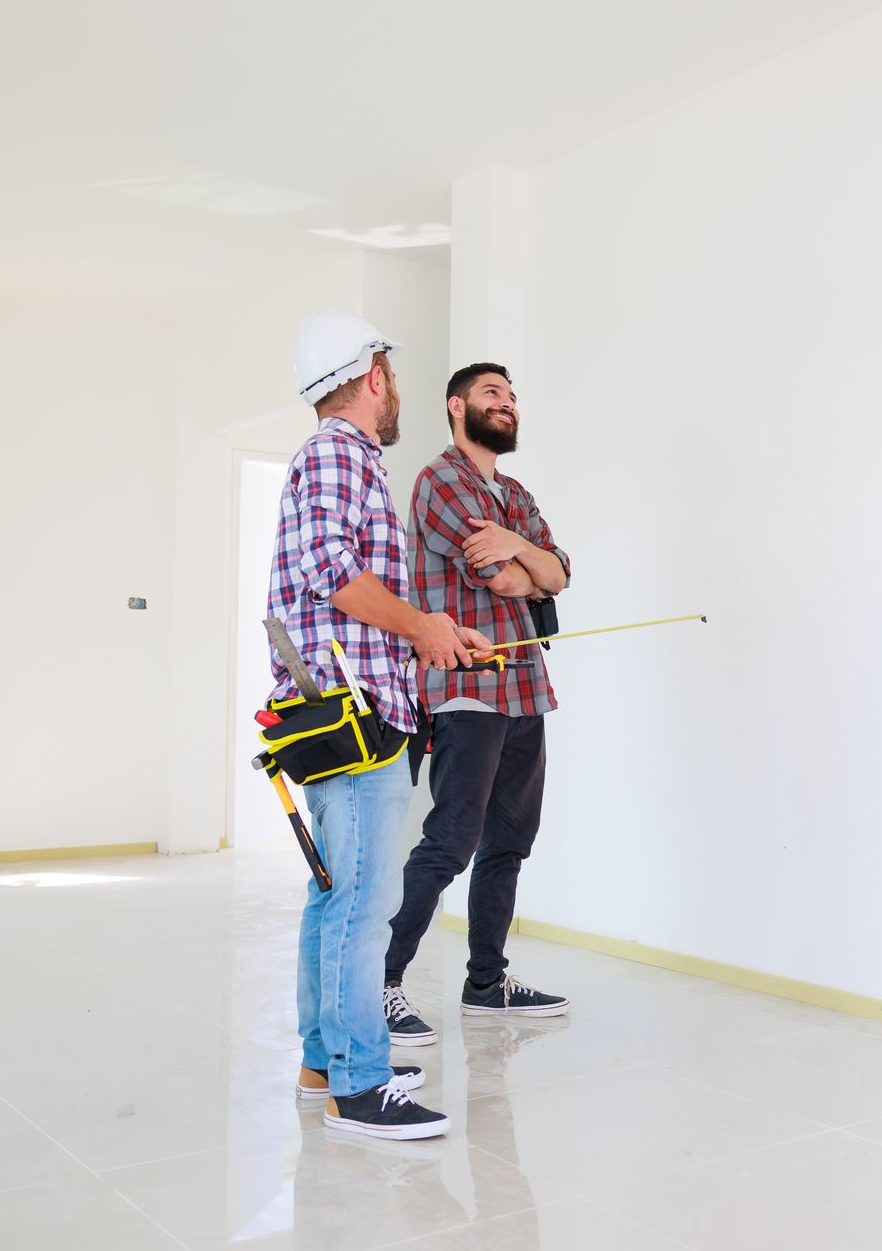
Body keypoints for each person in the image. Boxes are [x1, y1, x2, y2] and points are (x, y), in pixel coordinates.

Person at [272, 311, 491, 1141]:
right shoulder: (338, 452)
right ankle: (360, 1087)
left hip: (348, 706)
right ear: (371, 375)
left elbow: (354, 596)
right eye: (391, 373)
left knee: (335, 897)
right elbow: (332, 575)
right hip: (353, 719)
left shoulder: (339, 458)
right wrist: (420, 629)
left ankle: (325, 1062)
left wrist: (435, 635)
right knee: (364, 903)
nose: (394, 387)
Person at [382, 363, 572, 1048]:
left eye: (513, 396)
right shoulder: (440, 482)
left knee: (510, 844)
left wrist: (522, 546)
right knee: (450, 843)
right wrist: (526, 564)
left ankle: (486, 984)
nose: (508, 404)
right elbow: (496, 575)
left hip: (525, 687)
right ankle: (380, 981)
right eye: (493, 394)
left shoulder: (513, 493)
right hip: (467, 690)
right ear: (456, 406)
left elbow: (557, 573)